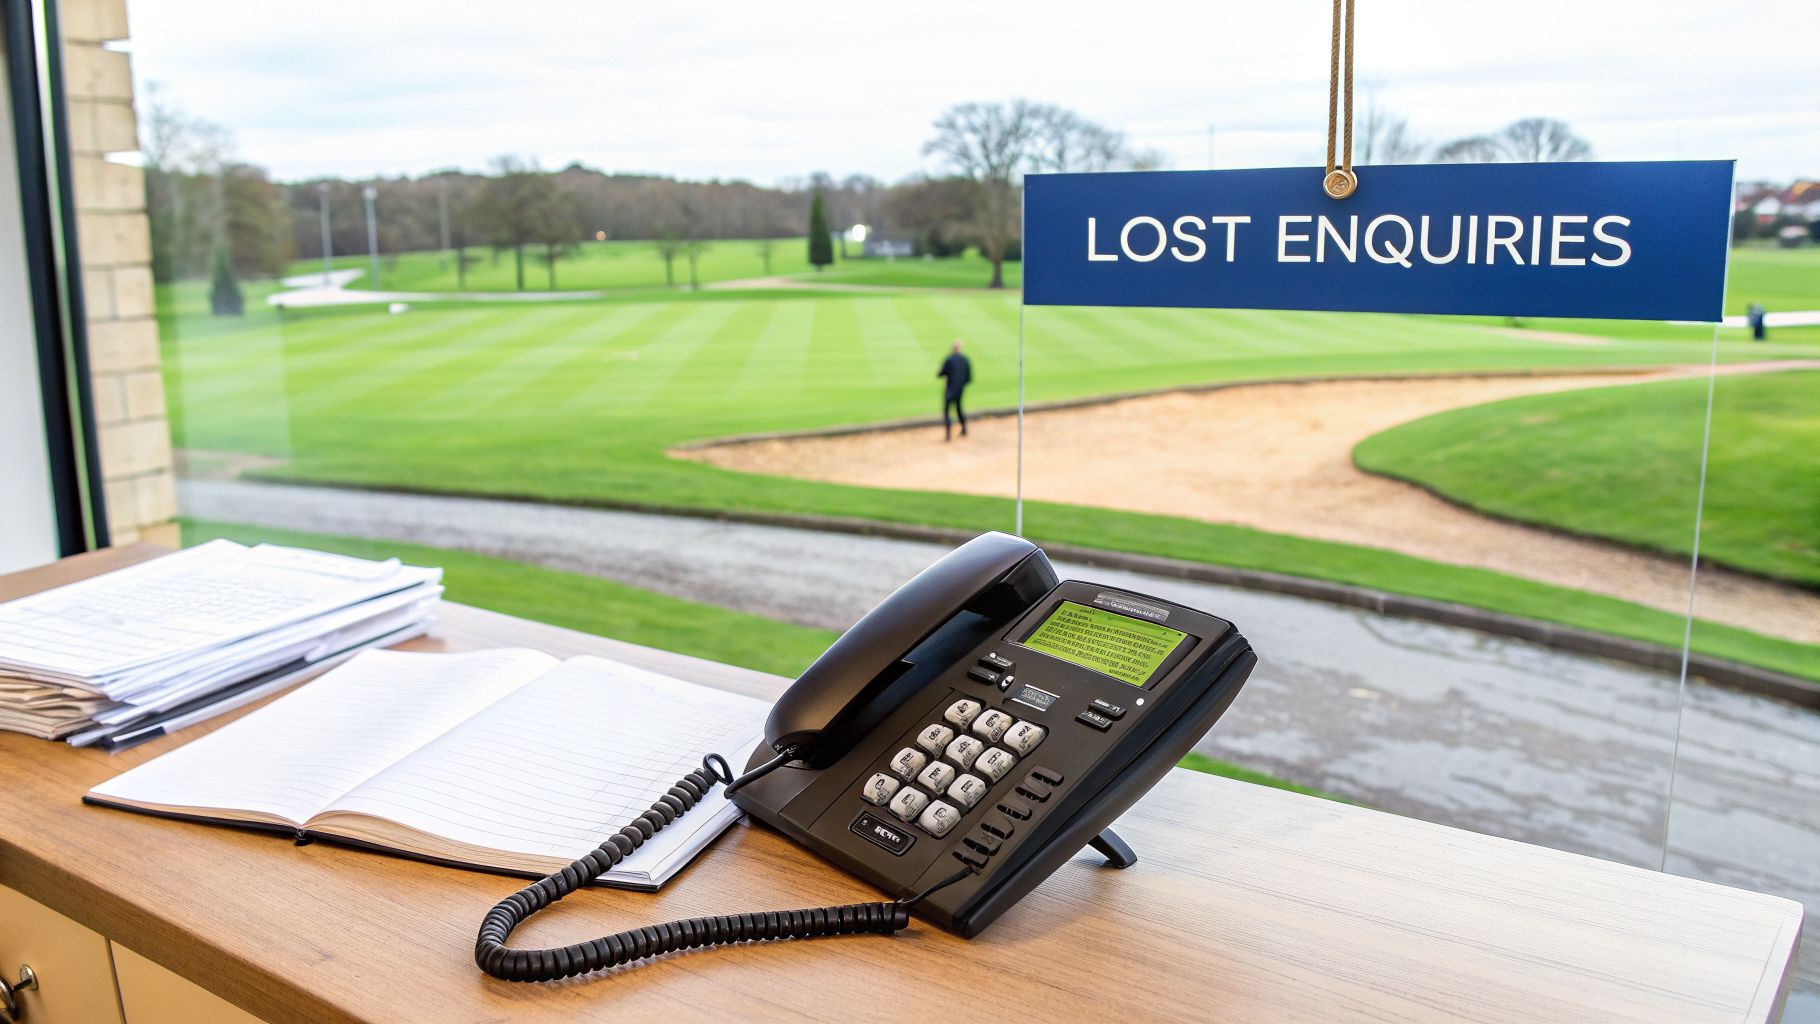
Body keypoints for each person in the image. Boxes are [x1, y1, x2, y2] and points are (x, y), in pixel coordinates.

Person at [937, 340, 972, 441]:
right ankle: (964, 428)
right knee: (959, 408)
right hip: (960, 389)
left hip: (949, 389)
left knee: (947, 411)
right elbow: (968, 378)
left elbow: (940, 373)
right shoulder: (965, 360)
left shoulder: (949, 359)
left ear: (953, 348)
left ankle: (948, 433)